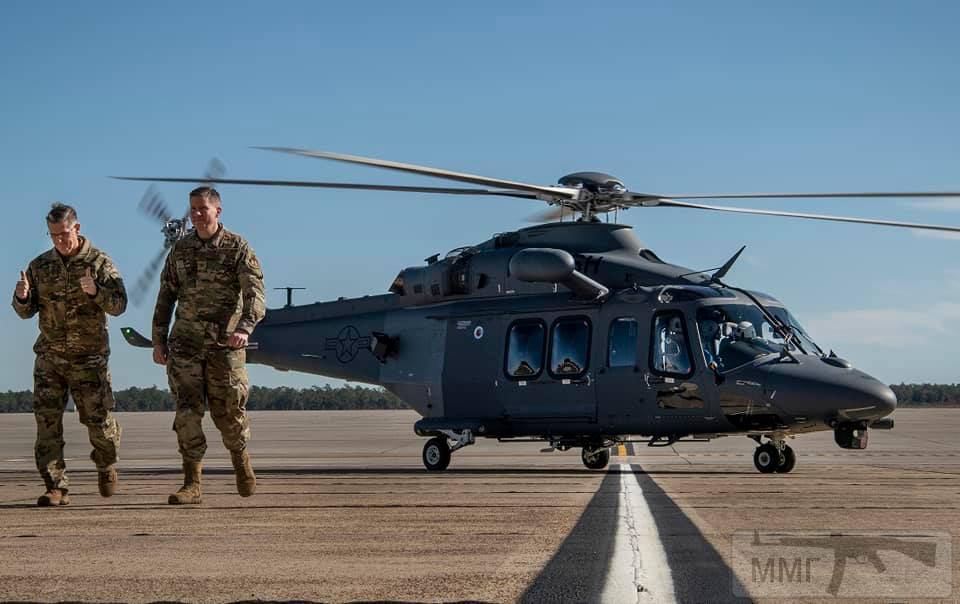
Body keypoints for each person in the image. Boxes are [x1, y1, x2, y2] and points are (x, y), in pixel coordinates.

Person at [152, 186, 265, 505]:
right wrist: (159, 339)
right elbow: (165, 297)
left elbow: (255, 294)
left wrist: (245, 327)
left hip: (224, 345)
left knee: (228, 414)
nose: (197, 214)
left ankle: (241, 462)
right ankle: (192, 483)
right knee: (187, 413)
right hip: (185, 344)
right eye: (193, 209)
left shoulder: (237, 247)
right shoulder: (181, 250)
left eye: (203, 208)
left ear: (218, 211)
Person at [12, 203, 127, 506]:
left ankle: (105, 462)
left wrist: (95, 292)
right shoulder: (40, 266)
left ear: (77, 228)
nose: (60, 241)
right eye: (53, 236)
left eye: (64, 234)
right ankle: (56, 486)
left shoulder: (99, 262)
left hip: (89, 358)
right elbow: (26, 311)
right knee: (47, 423)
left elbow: (119, 305)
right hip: (50, 357)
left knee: (98, 423)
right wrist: (22, 297)